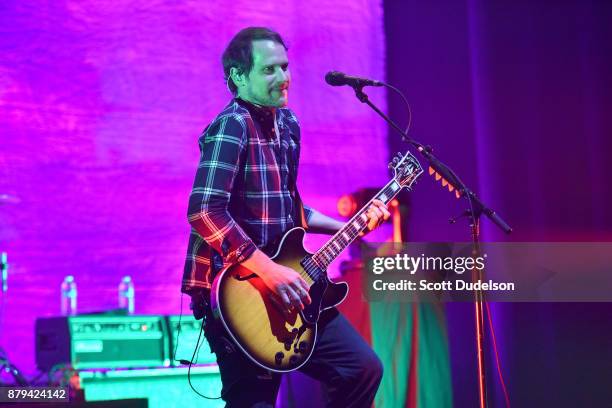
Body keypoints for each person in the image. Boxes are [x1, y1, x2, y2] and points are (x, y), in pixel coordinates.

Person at [181, 27, 390, 407]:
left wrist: (350, 227)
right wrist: (269, 271)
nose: (283, 78)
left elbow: (289, 208)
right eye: (269, 70)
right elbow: (203, 210)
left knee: (360, 369)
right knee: (255, 401)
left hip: (290, 287)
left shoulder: (288, 125)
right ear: (238, 78)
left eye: (285, 67)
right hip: (239, 291)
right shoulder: (232, 125)